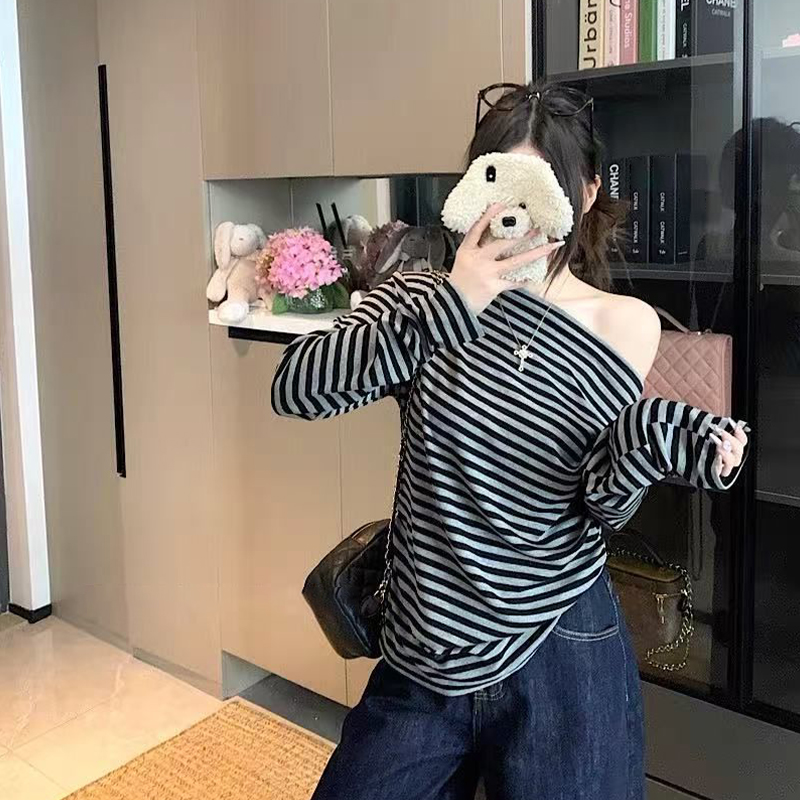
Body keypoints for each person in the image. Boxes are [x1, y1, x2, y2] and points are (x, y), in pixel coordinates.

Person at [271, 82, 748, 800]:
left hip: (563, 648)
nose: (513, 213)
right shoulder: (420, 297)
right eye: (497, 180)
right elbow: (296, 389)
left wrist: (648, 446)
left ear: (586, 194)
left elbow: (602, 503)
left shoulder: (623, 323)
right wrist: (454, 302)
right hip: (425, 649)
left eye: (538, 185)